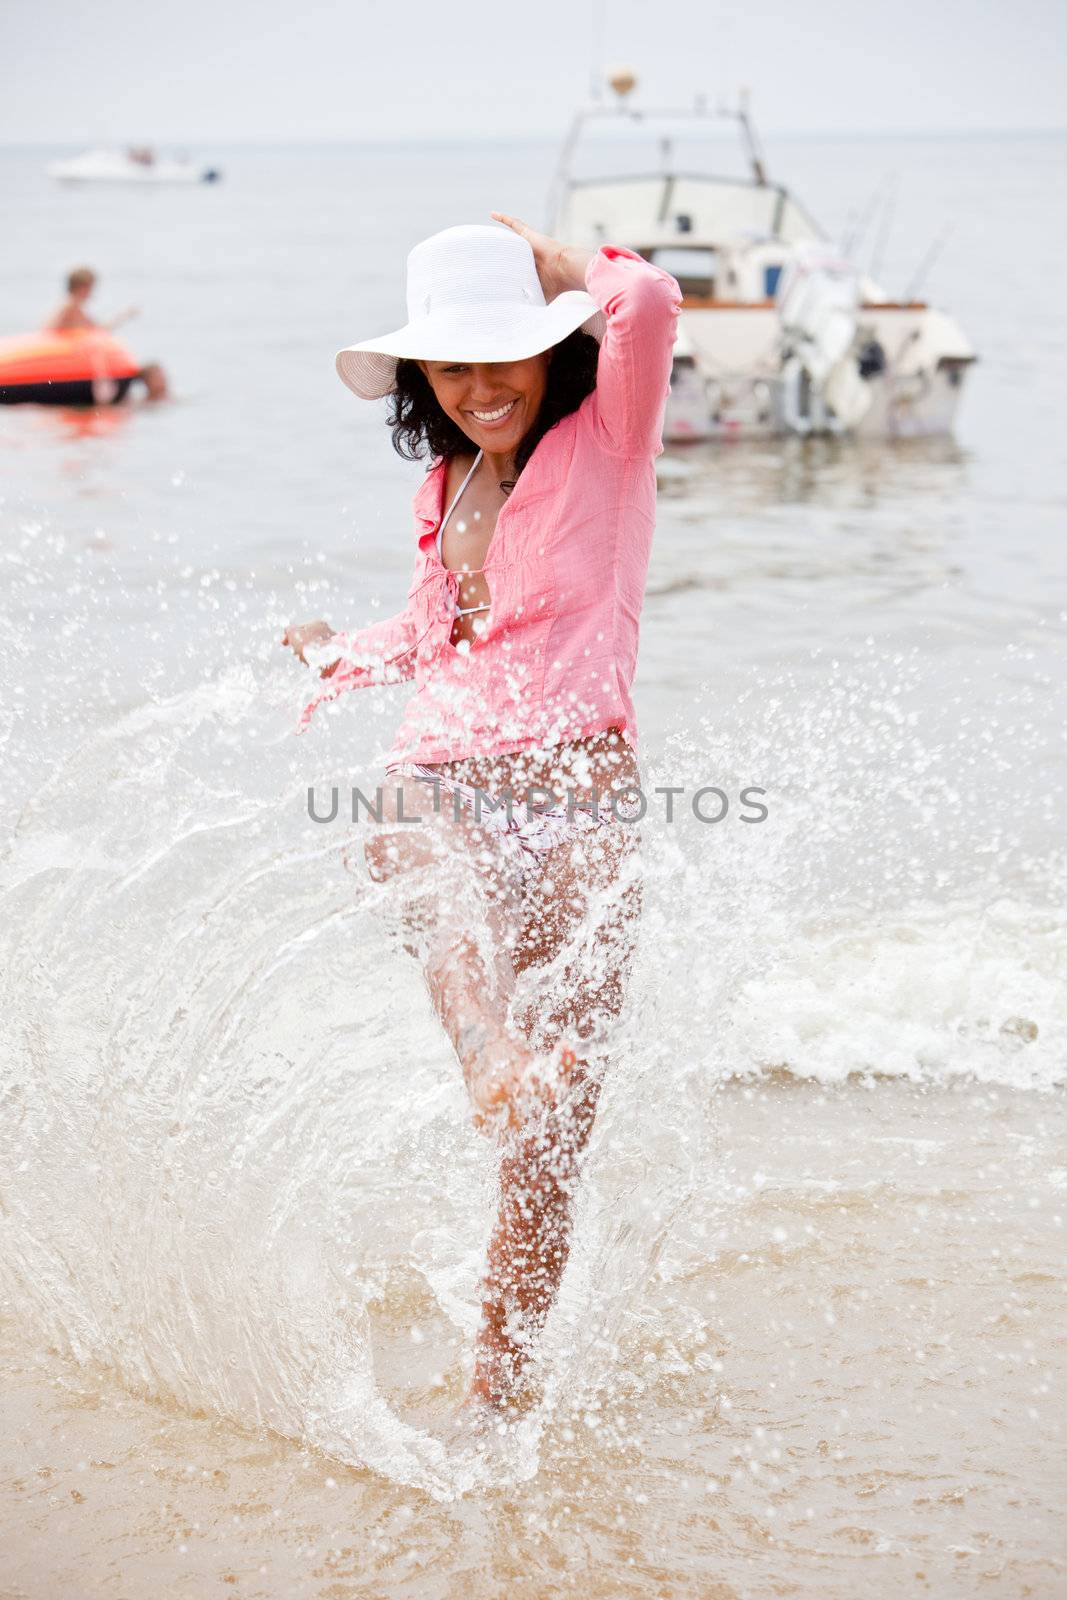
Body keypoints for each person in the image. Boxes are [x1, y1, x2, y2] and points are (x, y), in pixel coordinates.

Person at [284, 215, 681, 1425]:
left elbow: (652, 301)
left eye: (497, 355)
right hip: (447, 765)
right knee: (398, 822)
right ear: (422, 382)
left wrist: (556, 262)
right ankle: (487, 1058)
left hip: (578, 787)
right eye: (448, 367)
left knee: (548, 1145)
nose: (475, 387)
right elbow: (437, 635)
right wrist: (338, 653)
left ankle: (495, 1394)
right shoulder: (441, 484)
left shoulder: (608, 438)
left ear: (547, 350)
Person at [46, 267, 169, 400]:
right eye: (90, 287)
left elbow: (97, 331)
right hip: (61, 362)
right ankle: (151, 394)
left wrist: (124, 316)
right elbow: (98, 332)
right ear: (81, 287)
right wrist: (125, 316)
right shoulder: (71, 307)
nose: (91, 293)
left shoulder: (70, 308)